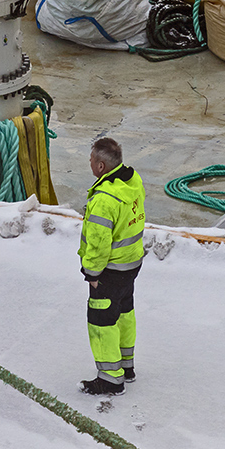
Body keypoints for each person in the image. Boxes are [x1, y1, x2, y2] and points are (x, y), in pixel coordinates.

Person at [77, 136, 145, 395]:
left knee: (102, 323)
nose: (90, 164)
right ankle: (126, 366)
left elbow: (98, 243)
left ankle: (110, 379)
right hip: (131, 264)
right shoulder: (132, 180)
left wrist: (92, 274)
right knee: (124, 313)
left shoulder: (104, 199)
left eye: (92, 160)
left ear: (102, 166)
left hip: (109, 272)